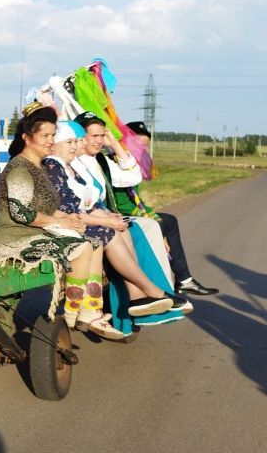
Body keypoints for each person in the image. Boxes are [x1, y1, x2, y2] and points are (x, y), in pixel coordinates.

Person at [42, 120, 185, 336]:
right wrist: (107, 221)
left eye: (76, 141)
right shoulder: (53, 165)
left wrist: (109, 216)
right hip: (65, 225)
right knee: (109, 232)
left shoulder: (68, 166)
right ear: (54, 144)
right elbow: (68, 210)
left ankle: (137, 295)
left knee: (123, 228)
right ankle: (149, 291)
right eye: (70, 141)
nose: (75, 146)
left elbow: (88, 204)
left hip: (79, 221)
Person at [94, 120, 218, 297]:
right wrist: (152, 220)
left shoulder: (127, 161)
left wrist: (153, 218)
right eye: (138, 144)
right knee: (166, 222)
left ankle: (183, 279)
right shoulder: (113, 162)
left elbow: (137, 200)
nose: (141, 149)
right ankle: (180, 280)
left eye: (145, 146)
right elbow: (120, 203)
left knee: (166, 221)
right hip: (119, 215)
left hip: (130, 213)